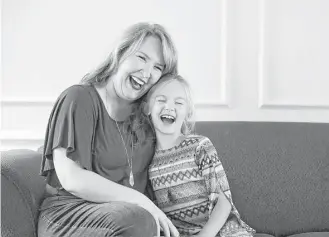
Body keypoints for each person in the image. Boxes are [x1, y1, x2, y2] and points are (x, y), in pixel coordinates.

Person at [38, 22, 180, 237]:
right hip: (70, 214)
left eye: (158, 67)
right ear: (120, 54)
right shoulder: (79, 98)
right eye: (142, 58)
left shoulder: (147, 115)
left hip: (133, 217)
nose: (147, 72)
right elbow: (72, 179)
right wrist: (140, 201)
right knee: (140, 221)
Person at [144, 74, 256, 237]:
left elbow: (224, 204)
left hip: (221, 230)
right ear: (147, 108)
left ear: (188, 112)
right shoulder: (147, 160)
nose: (169, 107)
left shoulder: (199, 146)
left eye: (179, 102)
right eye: (161, 100)